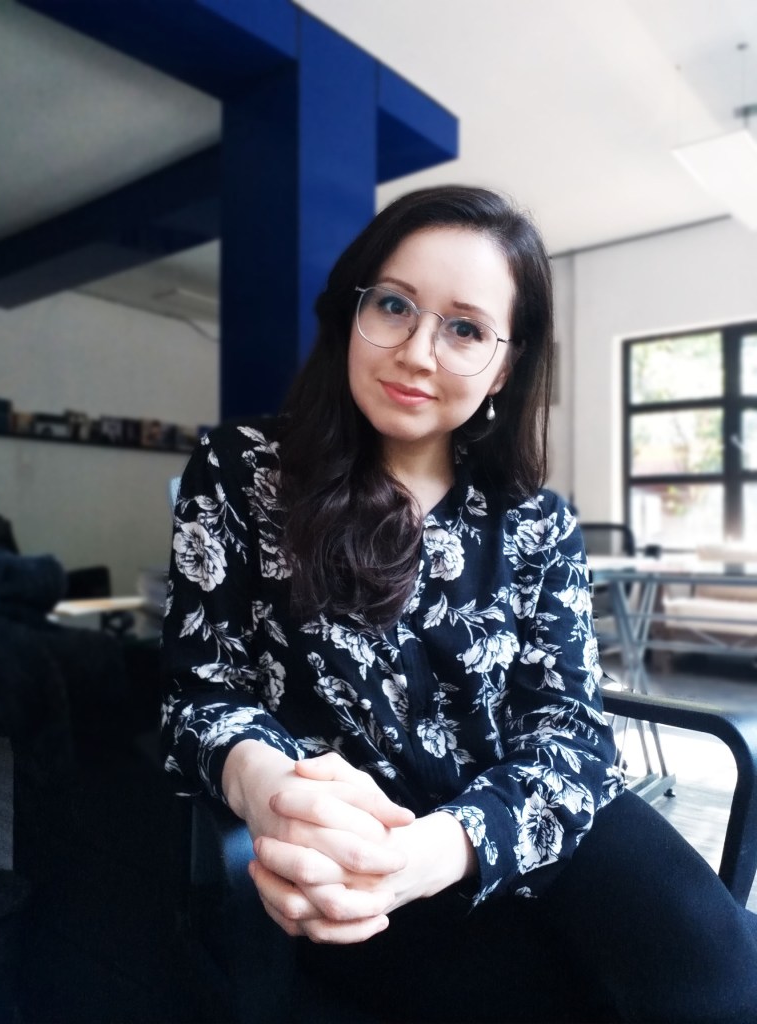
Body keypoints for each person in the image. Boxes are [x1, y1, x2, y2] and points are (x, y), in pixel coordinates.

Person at [161, 185, 757, 1023]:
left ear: (504, 367)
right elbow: (201, 694)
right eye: (394, 306)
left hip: (535, 821)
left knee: (722, 980)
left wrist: (448, 847)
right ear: (352, 312)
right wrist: (269, 791)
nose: (417, 352)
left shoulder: (536, 520)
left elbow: (571, 735)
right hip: (366, 856)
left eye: (466, 329)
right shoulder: (242, 472)